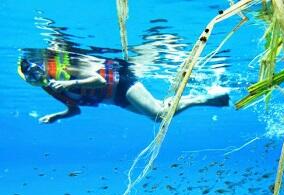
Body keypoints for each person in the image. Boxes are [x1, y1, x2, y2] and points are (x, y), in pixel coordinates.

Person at [17, 50, 229, 123]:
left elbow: (99, 80)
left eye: (38, 73)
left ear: (43, 67)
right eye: (33, 80)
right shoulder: (51, 88)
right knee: (159, 115)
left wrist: (70, 82)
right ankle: (211, 97)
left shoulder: (65, 70)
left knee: (160, 114)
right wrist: (57, 116)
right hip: (115, 99)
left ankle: (206, 98)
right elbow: (75, 109)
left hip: (121, 82)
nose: (39, 79)